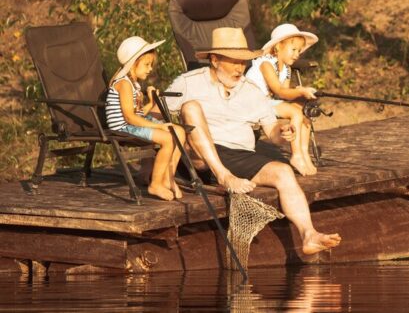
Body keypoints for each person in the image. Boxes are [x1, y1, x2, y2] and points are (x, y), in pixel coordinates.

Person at [163, 27, 341, 256]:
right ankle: (224, 176)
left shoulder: (252, 91)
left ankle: (309, 235)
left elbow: (272, 130)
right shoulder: (189, 83)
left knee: (283, 171)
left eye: (243, 62)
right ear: (215, 60)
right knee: (191, 106)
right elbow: (157, 114)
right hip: (200, 158)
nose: (240, 68)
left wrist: (283, 130)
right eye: (234, 62)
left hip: (240, 156)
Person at [105, 36, 187, 201]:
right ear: (133, 63)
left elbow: (138, 113)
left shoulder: (134, 84)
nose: (150, 69)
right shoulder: (124, 84)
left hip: (131, 123)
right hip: (122, 127)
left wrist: (150, 101)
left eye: (151, 65)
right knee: (168, 139)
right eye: (147, 64)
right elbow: (129, 117)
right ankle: (155, 184)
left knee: (179, 132)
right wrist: (158, 127)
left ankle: (167, 178)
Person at [245, 23, 319, 176]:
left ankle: (304, 154)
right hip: (252, 103)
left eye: (299, 51)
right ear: (278, 46)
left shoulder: (286, 69)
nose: (297, 54)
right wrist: (298, 92)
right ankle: (296, 155)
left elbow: (283, 93)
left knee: (302, 110)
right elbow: (280, 91)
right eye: (293, 50)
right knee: (294, 112)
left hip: (268, 102)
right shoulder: (265, 63)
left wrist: (298, 92)